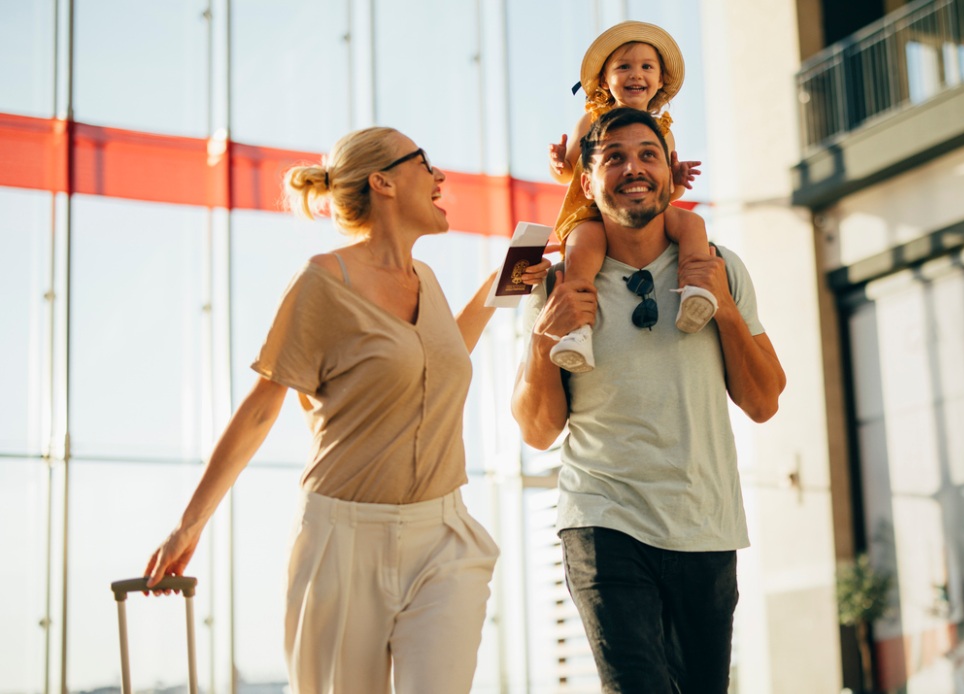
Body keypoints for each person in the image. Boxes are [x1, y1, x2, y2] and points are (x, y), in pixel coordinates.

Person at [144, 126, 549, 693]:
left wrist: (499, 282)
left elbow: (437, 356)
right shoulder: (322, 282)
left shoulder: (425, 279)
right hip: (343, 543)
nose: (440, 177)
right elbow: (262, 409)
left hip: (443, 538)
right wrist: (189, 525)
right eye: (424, 163)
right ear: (382, 182)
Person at [512, 108, 787, 693]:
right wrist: (543, 343)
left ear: (670, 174)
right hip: (603, 518)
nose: (632, 168)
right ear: (586, 182)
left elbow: (764, 401)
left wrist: (727, 309)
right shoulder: (553, 284)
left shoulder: (720, 266)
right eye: (613, 156)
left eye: (647, 154)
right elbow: (537, 432)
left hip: (704, 523)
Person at [546, 20, 715, 373]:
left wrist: (679, 180)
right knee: (580, 255)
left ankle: (695, 289)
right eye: (623, 66)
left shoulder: (664, 133)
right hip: (593, 212)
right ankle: (578, 330)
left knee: (692, 223)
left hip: (647, 211)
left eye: (646, 67)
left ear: (659, 79)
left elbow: (665, 191)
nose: (635, 74)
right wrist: (559, 163)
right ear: (605, 80)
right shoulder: (591, 119)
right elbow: (572, 174)